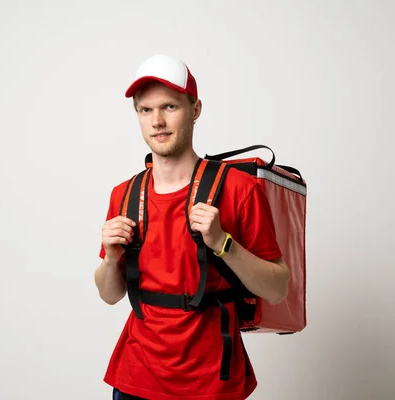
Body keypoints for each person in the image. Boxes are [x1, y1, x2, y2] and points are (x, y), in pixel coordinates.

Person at [94, 54, 291, 400]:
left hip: (211, 382)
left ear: (195, 109)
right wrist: (111, 259)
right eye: (145, 110)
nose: (157, 121)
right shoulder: (123, 195)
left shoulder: (237, 190)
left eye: (170, 107)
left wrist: (223, 243)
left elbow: (277, 289)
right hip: (136, 377)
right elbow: (111, 295)